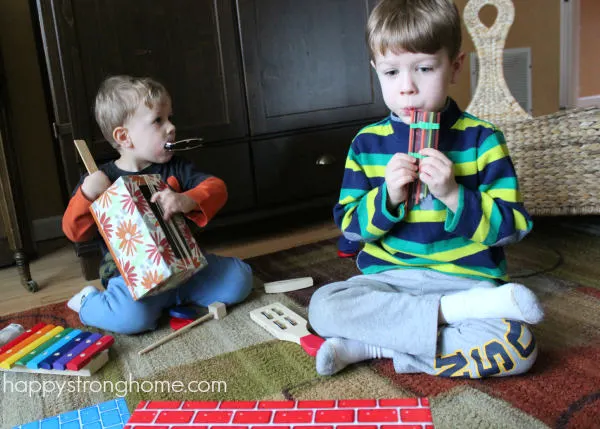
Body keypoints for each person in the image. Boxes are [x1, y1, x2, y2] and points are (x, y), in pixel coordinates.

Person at [308, 0, 544, 378]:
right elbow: (351, 229)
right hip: (389, 282)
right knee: (322, 306)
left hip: (466, 284)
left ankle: (372, 345)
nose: (407, 88)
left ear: (454, 66)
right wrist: (387, 198)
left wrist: (455, 196)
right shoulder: (367, 144)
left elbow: (513, 227)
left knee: (519, 348)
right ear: (375, 71)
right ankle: (442, 320)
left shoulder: (483, 141)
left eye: (424, 68)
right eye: (390, 72)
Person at [62, 75, 253, 334]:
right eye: (158, 121)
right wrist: (86, 194)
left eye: (170, 118)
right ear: (124, 137)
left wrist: (186, 200)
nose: (171, 127)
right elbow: (74, 232)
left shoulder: (176, 168)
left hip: (185, 269)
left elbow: (217, 189)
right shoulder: (99, 180)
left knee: (240, 280)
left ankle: (176, 298)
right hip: (133, 283)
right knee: (132, 320)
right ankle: (88, 303)